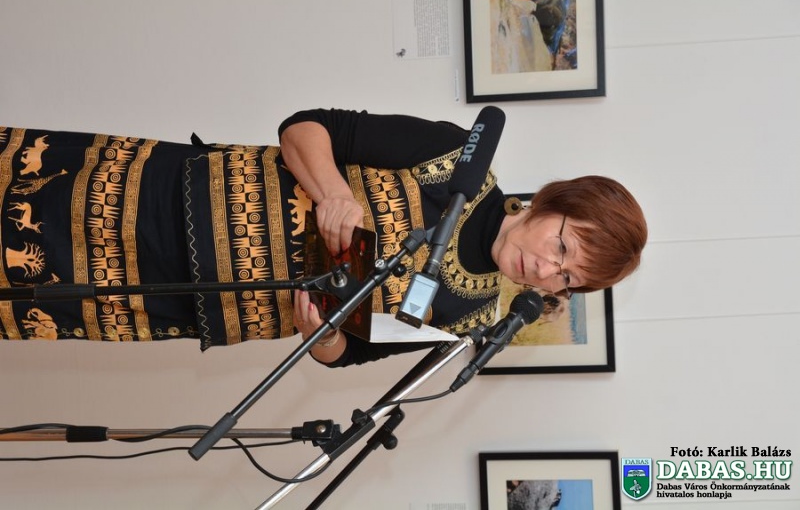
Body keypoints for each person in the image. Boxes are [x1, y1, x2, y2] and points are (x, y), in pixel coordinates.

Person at [0, 110, 647, 367]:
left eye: (567, 278)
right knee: (31, 198)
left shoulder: (472, 317)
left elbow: (353, 352)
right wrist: (333, 192)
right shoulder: (458, 159)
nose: (545, 270)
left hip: (195, 297)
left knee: (25, 286)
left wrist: (324, 335)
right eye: (563, 247)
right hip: (168, 197)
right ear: (554, 201)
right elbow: (306, 129)